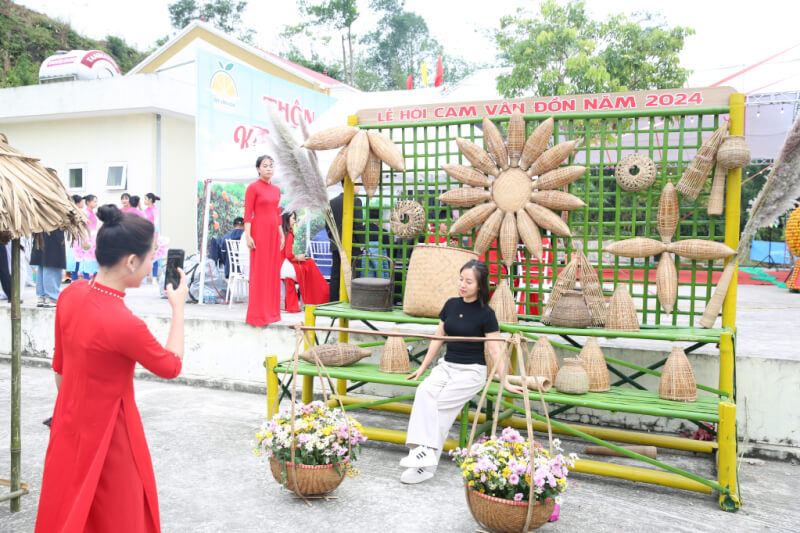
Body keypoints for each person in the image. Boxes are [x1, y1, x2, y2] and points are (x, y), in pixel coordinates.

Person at [34, 204, 188, 532]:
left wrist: (75, 414)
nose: (151, 264)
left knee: (66, 511)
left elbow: (60, 368)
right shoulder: (123, 323)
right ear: (131, 261)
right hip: (112, 436)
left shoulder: (71, 294)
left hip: (69, 425)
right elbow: (171, 365)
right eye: (149, 257)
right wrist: (178, 309)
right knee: (119, 518)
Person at [399, 260, 523, 484]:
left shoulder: (486, 313)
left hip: (471, 371)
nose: (462, 285)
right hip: (447, 366)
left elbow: (495, 350)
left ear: (480, 285)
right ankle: (420, 452)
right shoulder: (451, 305)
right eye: (460, 279)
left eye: (468, 282)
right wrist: (423, 367)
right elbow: (438, 338)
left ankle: (426, 463)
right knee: (424, 391)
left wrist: (505, 380)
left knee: (440, 405)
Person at [243, 155, 283, 326]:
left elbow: (278, 213)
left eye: (271, 165)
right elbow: (248, 213)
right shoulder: (253, 188)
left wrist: (281, 234)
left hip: (274, 234)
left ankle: (272, 313)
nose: (268, 168)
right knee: (260, 272)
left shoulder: (277, 190)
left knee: (272, 272)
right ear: (258, 169)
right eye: (265, 165)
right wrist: (248, 234)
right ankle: (257, 315)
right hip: (259, 232)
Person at [280, 211, 330, 313]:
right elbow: (289, 254)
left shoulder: (284, 233)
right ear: (287, 219)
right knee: (310, 263)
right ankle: (320, 296)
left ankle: (313, 297)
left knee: (309, 263)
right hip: (286, 264)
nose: (295, 221)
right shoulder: (289, 234)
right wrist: (298, 257)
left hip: (283, 263)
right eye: (293, 218)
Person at [327, 185, 364, 301]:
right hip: (353, 244)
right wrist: (361, 242)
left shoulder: (332, 202)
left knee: (336, 276)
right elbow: (357, 224)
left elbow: (327, 225)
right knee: (354, 276)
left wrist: (333, 239)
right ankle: (352, 302)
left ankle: (333, 303)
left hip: (336, 244)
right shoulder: (356, 201)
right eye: (357, 183)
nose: (359, 187)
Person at [30, 229, 66, 308]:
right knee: (52, 261)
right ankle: (51, 297)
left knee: (42, 261)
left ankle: (42, 296)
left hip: (40, 228)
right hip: (52, 228)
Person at [143, 193, 168, 279]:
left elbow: (156, 227)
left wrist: (155, 241)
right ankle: (145, 276)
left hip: (154, 236)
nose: (144, 201)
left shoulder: (155, 210)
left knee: (155, 256)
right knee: (146, 256)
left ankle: (154, 277)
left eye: (145, 199)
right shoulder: (145, 210)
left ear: (150, 200)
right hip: (146, 235)